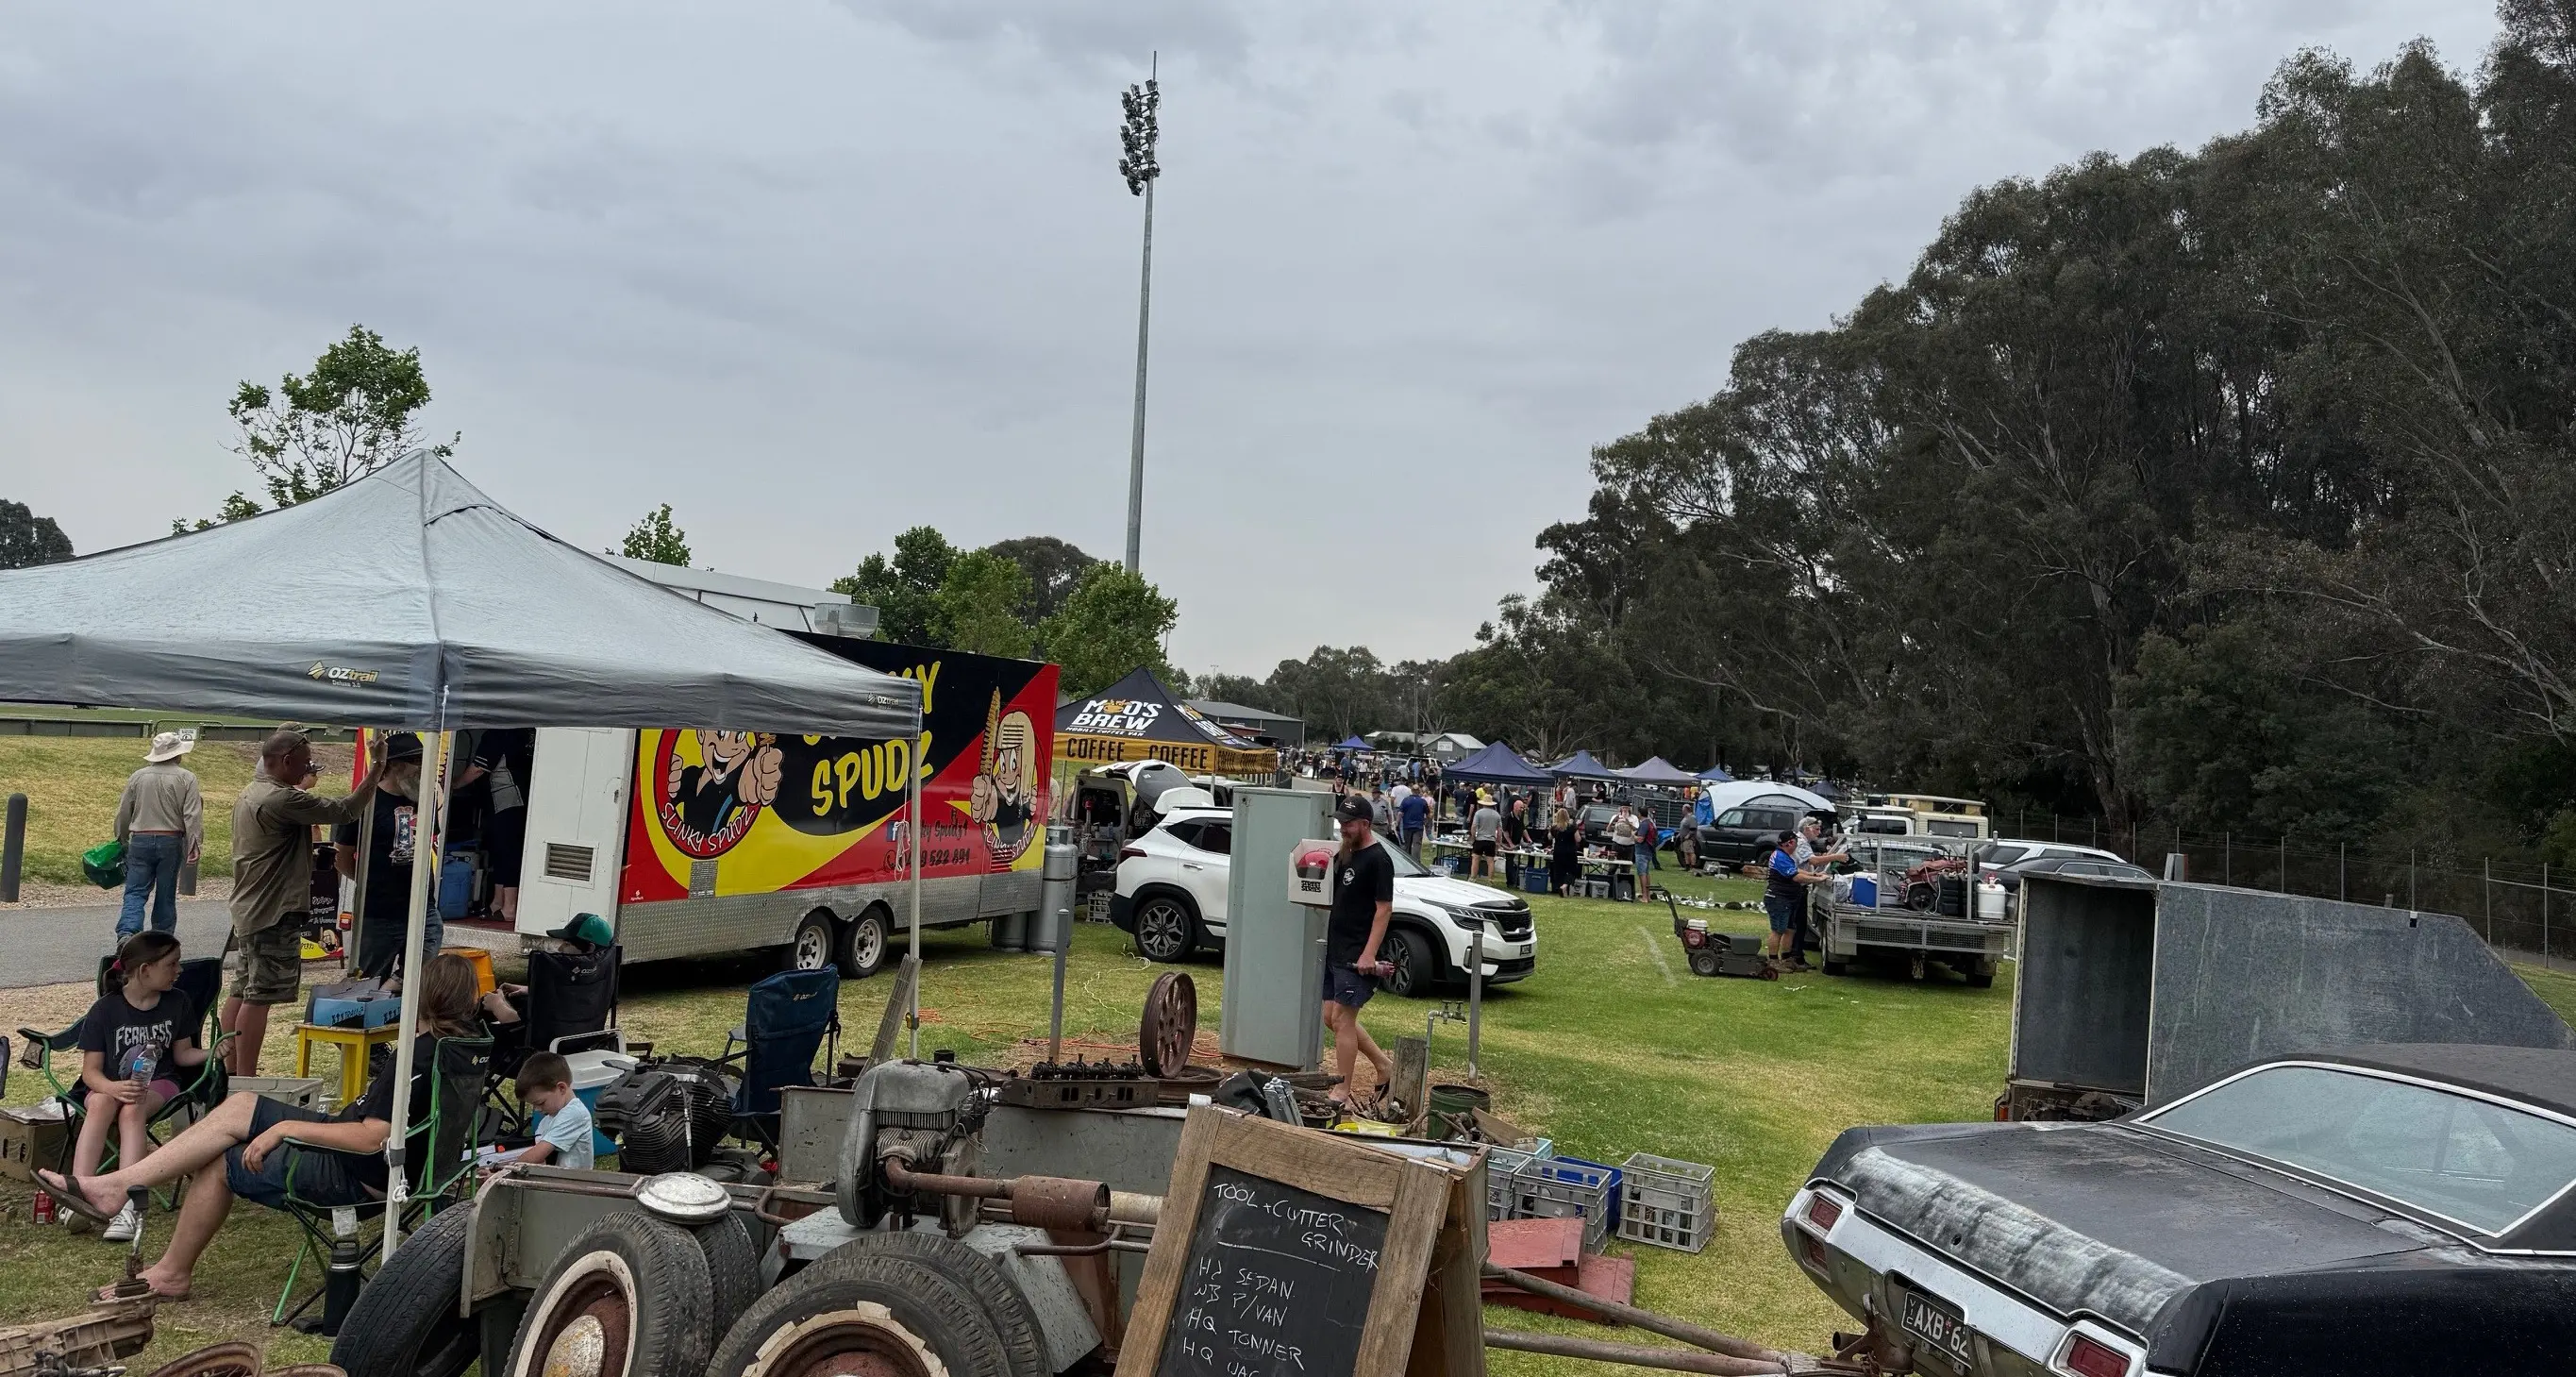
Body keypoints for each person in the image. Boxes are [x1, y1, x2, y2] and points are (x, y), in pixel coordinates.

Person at [39, 953, 483, 1302]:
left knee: (220, 1161)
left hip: (360, 1174)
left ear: (421, 995)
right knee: (243, 1104)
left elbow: (373, 1138)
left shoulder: (420, 1057)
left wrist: (285, 1126)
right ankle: (116, 1186)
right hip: (409, 1169)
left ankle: (165, 1262)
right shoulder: (466, 1044)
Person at [224, 730, 390, 1076]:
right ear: (286, 761)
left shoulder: (253, 791)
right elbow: (346, 810)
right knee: (260, 995)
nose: (309, 767)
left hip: (251, 907)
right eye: (305, 762)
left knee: (242, 989)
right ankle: (246, 1079)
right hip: (274, 910)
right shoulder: (283, 799)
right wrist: (377, 768)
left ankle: (229, 1071)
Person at [68, 931, 209, 1244]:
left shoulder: (177, 1002)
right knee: (103, 1104)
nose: (179, 971)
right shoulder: (105, 1010)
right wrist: (113, 1089)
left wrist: (215, 1052)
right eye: (172, 964)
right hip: (108, 1085)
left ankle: (127, 1206)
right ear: (145, 970)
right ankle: (79, 1192)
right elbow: (90, 1073)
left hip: (160, 1083)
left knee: (133, 1110)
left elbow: (183, 1055)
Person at [335, 733, 437, 981]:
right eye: (417, 761)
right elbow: (341, 854)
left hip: (424, 907)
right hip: (379, 912)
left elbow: (430, 841)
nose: (423, 768)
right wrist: (367, 878)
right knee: (371, 980)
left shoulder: (423, 799)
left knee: (422, 978)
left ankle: (406, 1018)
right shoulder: (366, 802)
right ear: (394, 765)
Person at [1321, 795, 1396, 1109]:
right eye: (1341, 822)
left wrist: (1369, 954)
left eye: (1348, 823)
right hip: (1336, 948)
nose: (1343, 827)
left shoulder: (1379, 860)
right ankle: (1384, 1065)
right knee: (1330, 1018)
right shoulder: (1345, 855)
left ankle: (1343, 1091)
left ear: (1365, 824)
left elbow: (1384, 910)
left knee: (1343, 1021)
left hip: (1357, 952)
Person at [112, 732, 203, 940]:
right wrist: (194, 843)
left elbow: (124, 811)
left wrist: (121, 837)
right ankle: (161, 938)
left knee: (135, 891)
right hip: (171, 839)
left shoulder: (138, 776)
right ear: (177, 755)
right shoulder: (187, 778)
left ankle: (127, 932)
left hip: (140, 839)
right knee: (166, 893)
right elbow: (192, 815)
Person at [458, 729, 533, 923]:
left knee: (507, 851)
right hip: (523, 797)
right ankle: (497, 902)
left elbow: (478, 768)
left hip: (506, 797)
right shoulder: (529, 732)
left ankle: (509, 907)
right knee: (502, 849)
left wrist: (452, 785)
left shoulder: (497, 732)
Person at [481, 1051, 594, 1172]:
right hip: (553, 1180)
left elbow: (536, 1156)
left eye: (540, 1103)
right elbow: (539, 1161)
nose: (537, 1109)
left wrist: (504, 1172)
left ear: (561, 1088)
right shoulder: (548, 1119)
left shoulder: (575, 1114)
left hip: (573, 1185)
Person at [1759, 830, 1832, 966]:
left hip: (1789, 898)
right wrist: (1817, 880)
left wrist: (1815, 875)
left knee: (1789, 929)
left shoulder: (1786, 856)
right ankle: (1773, 961)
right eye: (1796, 844)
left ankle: (1787, 959)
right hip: (1778, 898)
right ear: (1790, 843)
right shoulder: (1780, 857)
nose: (1797, 847)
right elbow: (1796, 877)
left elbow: (1797, 870)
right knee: (1778, 930)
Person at [1609, 804, 1642, 901]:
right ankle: (1609, 889)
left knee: (1625, 870)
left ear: (1630, 808)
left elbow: (1636, 829)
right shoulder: (1615, 816)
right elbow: (1608, 829)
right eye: (1623, 807)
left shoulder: (1634, 818)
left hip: (1629, 846)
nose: (1625, 809)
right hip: (1616, 844)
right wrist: (1612, 823)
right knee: (1612, 868)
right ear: (1620, 808)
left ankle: (1623, 892)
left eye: (1627, 808)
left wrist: (1627, 822)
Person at [1469, 794, 1503, 881]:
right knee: (1490, 861)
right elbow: (1499, 830)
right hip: (1491, 840)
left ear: (1483, 803)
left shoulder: (1478, 813)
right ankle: (1490, 880)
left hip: (1480, 839)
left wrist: (1473, 837)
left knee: (1476, 859)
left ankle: (1473, 878)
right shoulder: (1497, 815)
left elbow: (1474, 826)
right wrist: (1498, 841)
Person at [1548, 806, 1581, 896]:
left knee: (1559, 870)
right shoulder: (1572, 827)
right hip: (1570, 851)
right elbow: (1578, 839)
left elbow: (1549, 837)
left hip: (1558, 851)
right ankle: (1565, 886)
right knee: (1572, 870)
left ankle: (1560, 886)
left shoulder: (1554, 827)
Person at [1397, 785, 1430, 862]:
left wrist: (1397, 824)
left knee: (1407, 844)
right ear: (1419, 791)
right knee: (1416, 845)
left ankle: (1406, 861)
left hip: (1407, 826)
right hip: (1418, 827)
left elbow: (1400, 813)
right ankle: (1416, 862)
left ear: (1411, 790)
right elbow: (1428, 814)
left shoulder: (1406, 800)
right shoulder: (1423, 801)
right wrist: (1426, 823)